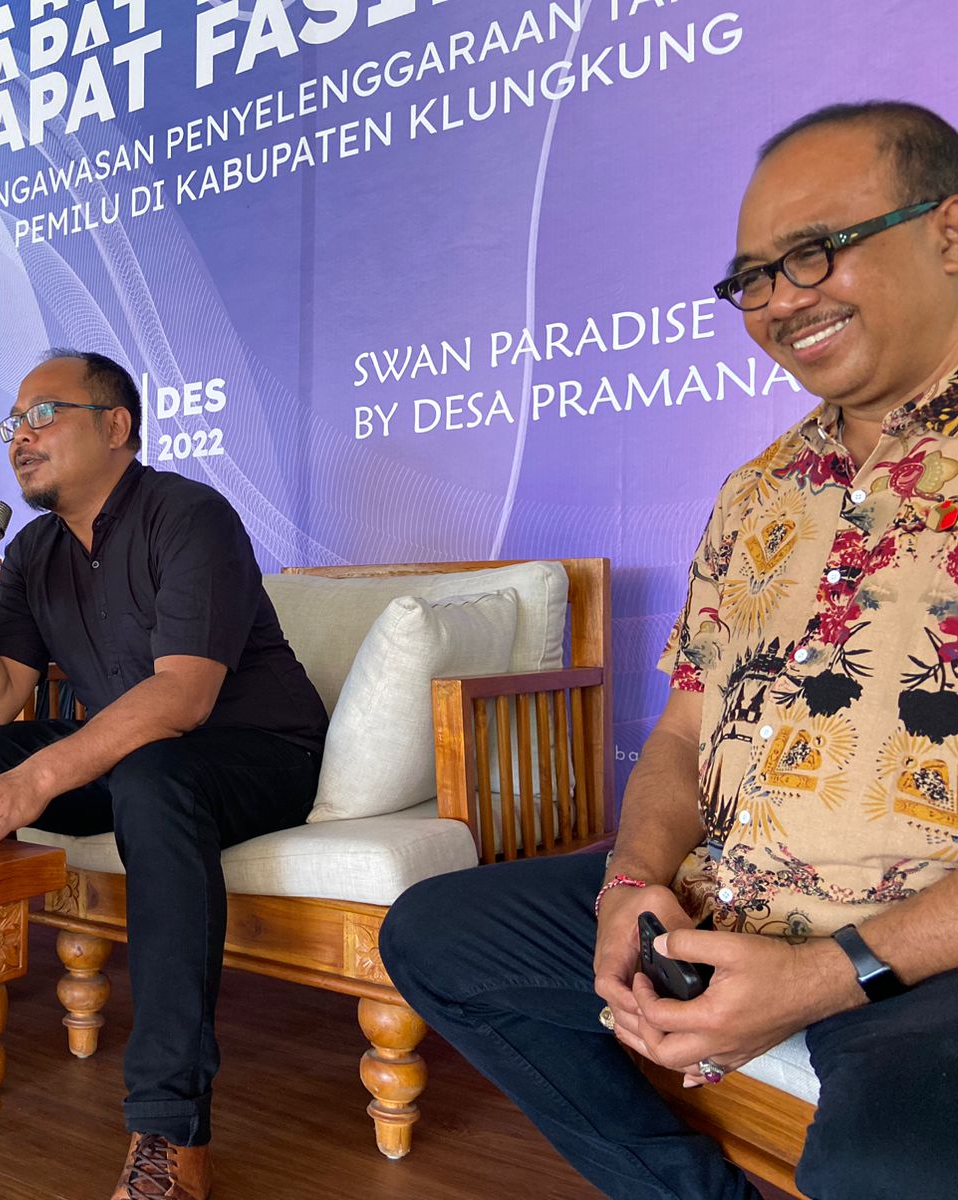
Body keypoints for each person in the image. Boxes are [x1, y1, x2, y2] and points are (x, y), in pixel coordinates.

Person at [379, 101, 958, 1200]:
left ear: (948, 231)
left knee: (895, 1164)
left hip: (920, 945)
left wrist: (827, 975)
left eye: (814, 252)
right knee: (439, 934)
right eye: (755, 277)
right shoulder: (758, 492)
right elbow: (686, 729)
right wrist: (631, 887)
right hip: (729, 891)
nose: (783, 300)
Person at [0, 351, 329, 1199]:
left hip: (259, 753)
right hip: (136, 758)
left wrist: (37, 780)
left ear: (115, 426)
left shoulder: (190, 515)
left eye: (43, 414)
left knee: (157, 778)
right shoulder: (38, 546)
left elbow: (183, 698)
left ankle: (169, 1128)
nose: (19, 438)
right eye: (12, 423)